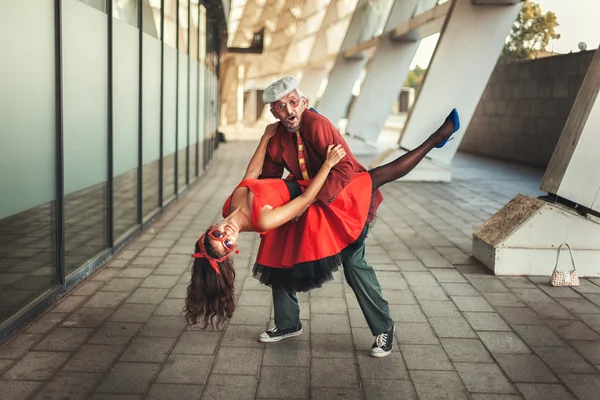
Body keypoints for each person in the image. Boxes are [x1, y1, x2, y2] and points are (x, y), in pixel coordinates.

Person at [184, 76, 460, 358]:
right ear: (274, 113)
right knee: (276, 258)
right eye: (281, 107)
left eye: (293, 102)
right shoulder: (278, 142)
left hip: (338, 197)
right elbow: (266, 178)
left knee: (357, 253)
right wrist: (273, 150)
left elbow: (345, 170)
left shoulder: (317, 125)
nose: (289, 111)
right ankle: (288, 323)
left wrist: (310, 188)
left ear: (303, 102)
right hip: (303, 203)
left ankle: (383, 327)